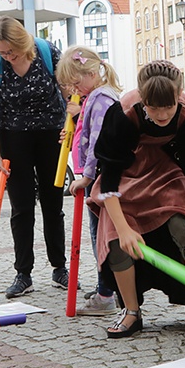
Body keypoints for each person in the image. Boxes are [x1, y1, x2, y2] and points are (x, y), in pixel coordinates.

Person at [89, 61, 185, 343]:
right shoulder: (124, 113)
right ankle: (131, 311)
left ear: (178, 96)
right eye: (154, 108)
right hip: (125, 179)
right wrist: (124, 228)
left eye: (169, 107)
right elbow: (110, 179)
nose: (162, 115)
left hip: (166, 173)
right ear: (143, 99)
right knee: (116, 240)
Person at [0, 16, 70, 298]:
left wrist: (72, 129)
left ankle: (59, 268)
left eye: (10, 51)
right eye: (1, 52)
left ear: (22, 42)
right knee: (21, 208)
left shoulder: (47, 52)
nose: (6, 56)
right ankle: (23, 273)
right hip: (13, 138)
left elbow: (70, 96)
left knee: (52, 204)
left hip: (51, 135)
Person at [56, 45, 122, 316]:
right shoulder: (93, 98)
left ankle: (107, 294)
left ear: (92, 72)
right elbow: (87, 134)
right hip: (97, 177)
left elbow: (97, 141)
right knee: (101, 237)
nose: (74, 88)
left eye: (76, 81)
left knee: (102, 239)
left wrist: (87, 176)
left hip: (100, 180)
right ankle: (107, 288)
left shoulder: (101, 100)